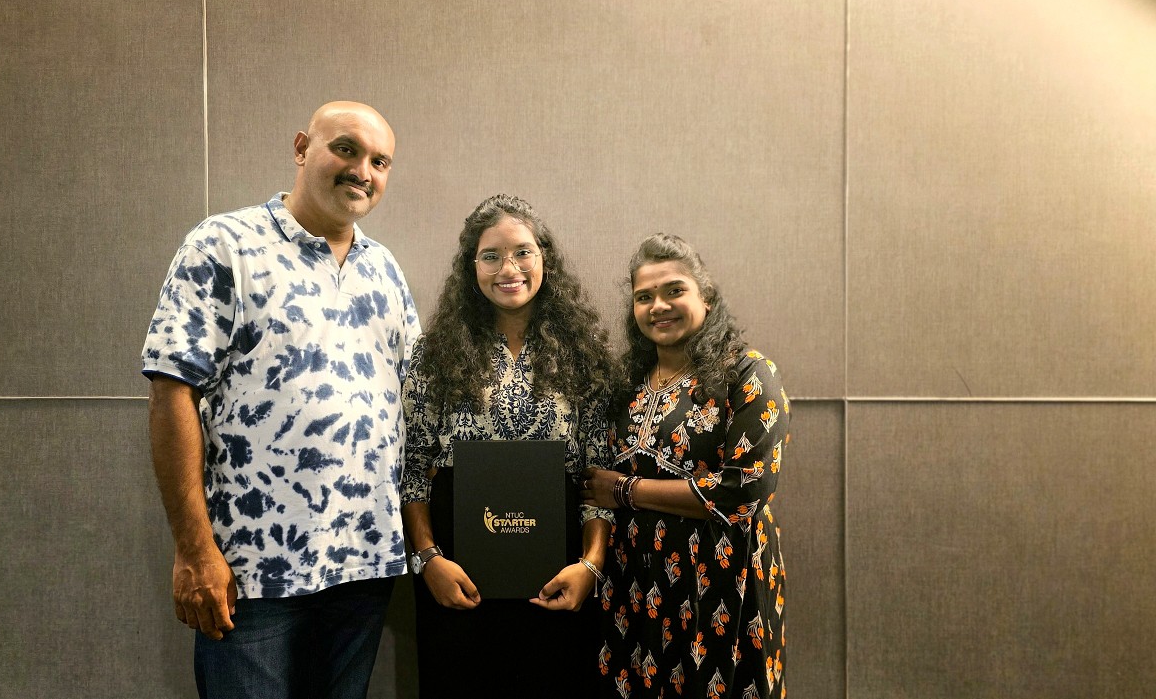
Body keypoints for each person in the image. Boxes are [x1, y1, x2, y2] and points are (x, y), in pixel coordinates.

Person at [141, 101, 419, 699]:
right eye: (345, 149)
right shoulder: (224, 244)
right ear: (301, 148)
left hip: (364, 566)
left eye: (380, 161)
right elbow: (171, 393)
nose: (362, 171)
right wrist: (194, 549)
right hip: (252, 570)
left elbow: (412, 401)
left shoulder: (385, 270)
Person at [400, 194, 616, 698]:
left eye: (522, 252)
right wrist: (428, 558)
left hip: (558, 568)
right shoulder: (434, 355)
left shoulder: (585, 357)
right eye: (491, 255)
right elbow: (412, 469)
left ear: (545, 259)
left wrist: (591, 565)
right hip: (458, 568)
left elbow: (596, 474)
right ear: (471, 266)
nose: (508, 268)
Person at [582, 234, 790, 699]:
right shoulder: (624, 385)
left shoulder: (749, 374)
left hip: (722, 586)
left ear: (706, 297)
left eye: (674, 290)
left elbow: (743, 493)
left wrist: (625, 491)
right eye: (644, 297)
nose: (659, 305)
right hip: (635, 586)